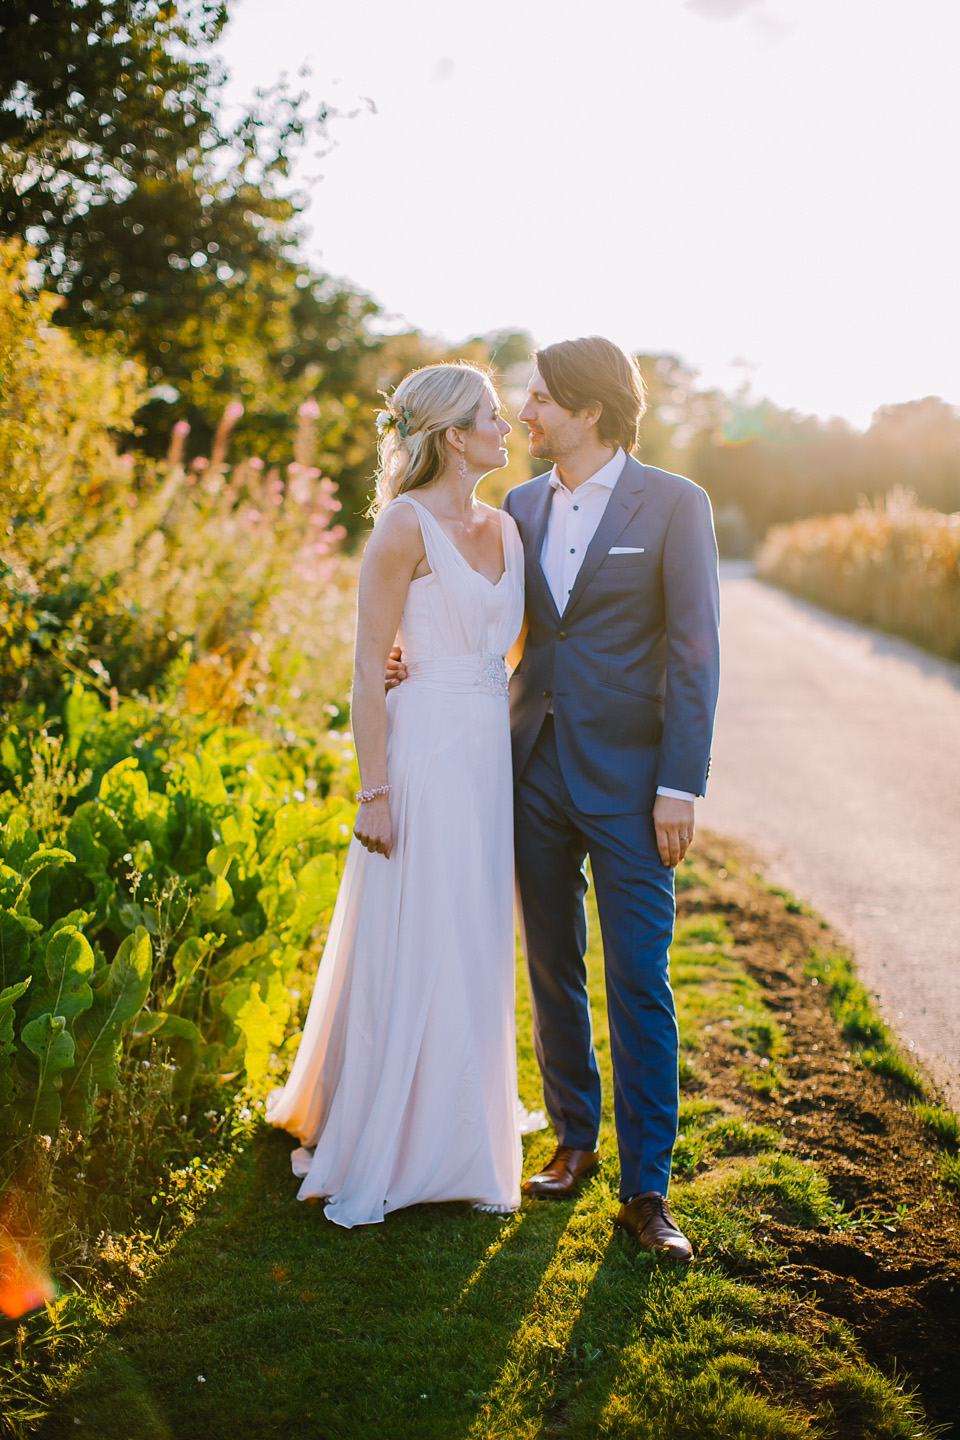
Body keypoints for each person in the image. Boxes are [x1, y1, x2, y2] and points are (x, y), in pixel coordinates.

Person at [266, 361, 525, 1227]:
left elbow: (507, 650)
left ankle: (464, 1129)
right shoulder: (402, 530)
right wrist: (372, 792)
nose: (506, 427)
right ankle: (396, 1134)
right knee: (421, 931)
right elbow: (364, 675)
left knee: (475, 932)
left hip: (487, 755)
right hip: (422, 755)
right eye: (491, 416)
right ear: (455, 436)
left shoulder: (509, 524)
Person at [503, 336, 720, 1262]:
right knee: (552, 965)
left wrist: (680, 784)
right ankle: (574, 1140)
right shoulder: (517, 505)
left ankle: (648, 1191)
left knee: (639, 980)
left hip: (636, 786)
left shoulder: (675, 503)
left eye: (542, 398)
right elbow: (492, 622)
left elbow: (696, 652)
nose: (525, 412)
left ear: (590, 410)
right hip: (532, 768)